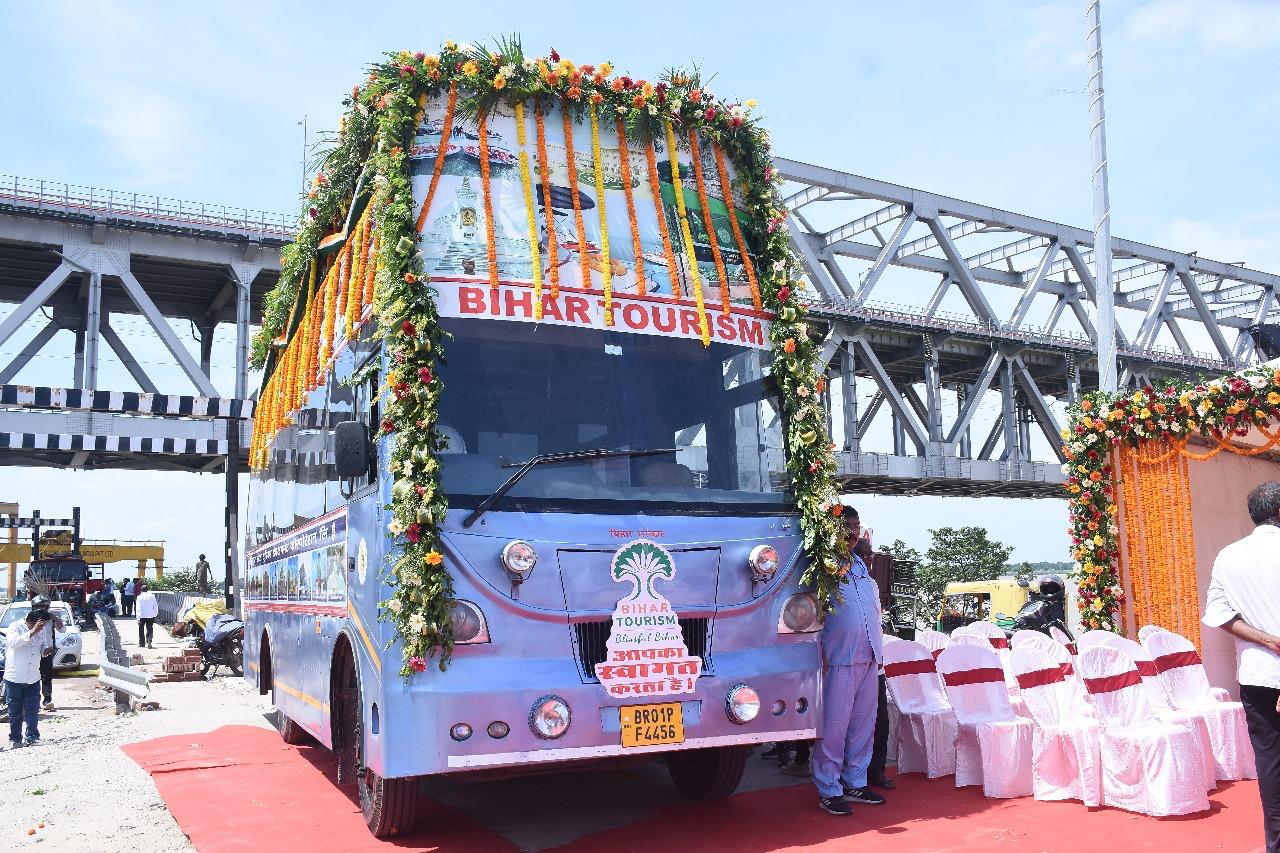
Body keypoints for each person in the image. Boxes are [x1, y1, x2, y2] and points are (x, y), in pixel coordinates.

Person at [1204, 481, 1280, 853]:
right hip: (1263, 671)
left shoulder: (1229, 556)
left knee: (1270, 762)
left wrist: (1268, 640)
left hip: (1260, 674)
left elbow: (1219, 614)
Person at [814, 503, 886, 816]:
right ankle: (828, 788)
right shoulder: (821, 568)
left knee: (862, 726)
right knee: (834, 727)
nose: (852, 535)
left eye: (855, 528)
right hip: (839, 658)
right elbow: (811, 613)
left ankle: (855, 780)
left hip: (869, 657)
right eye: (846, 528)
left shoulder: (860, 566)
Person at [5, 610, 48, 748]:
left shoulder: (41, 630)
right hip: (15, 677)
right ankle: (16, 739)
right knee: (15, 711)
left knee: (32, 709)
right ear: (31, 621)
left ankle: (32, 737)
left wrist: (46, 652)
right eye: (41, 625)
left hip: (33, 677)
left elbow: (42, 647)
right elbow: (13, 643)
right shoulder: (15, 627)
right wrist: (32, 632)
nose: (43, 628)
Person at [29, 596, 63, 712]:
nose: (41, 610)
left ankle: (47, 700)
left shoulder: (50, 618)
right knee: (32, 677)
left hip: (47, 652)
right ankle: (34, 701)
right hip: (31, 653)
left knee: (47, 676)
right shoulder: (30, 618)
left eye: (43, 607)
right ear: (34, 607)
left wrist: (55, 618)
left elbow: (63, 630)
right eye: (38, 607)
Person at [135, 581, 159, 649]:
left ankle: (142, 643)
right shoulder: (152, 596)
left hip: (142, 616)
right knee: (149, 628)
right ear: (147, 590)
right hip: (150, 615)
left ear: (141, 590)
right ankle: (149, 640)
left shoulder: (139, 597)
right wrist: (155, 614)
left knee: (141, 629)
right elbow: (155, 606)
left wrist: (138, 618)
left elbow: (138, 608)